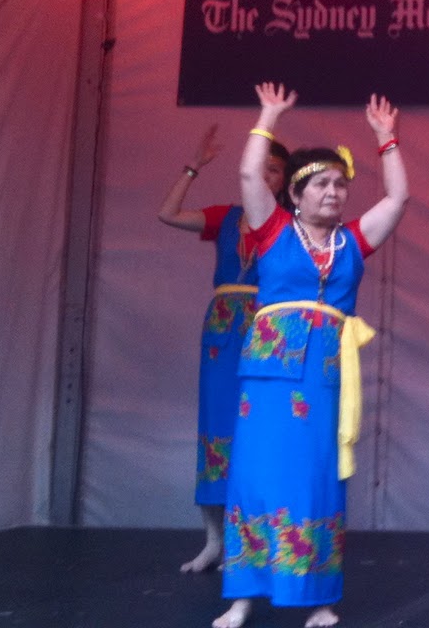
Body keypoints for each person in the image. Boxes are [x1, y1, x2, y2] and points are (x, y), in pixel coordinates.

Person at [213, 84, 410, 628]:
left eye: (341, 185)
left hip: (323, 373)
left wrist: (386, 140)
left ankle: (317, 597)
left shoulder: (352, 242)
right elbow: (252, 175)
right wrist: (268, 117)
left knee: (317, 476)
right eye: (322, 184)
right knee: (255, 474)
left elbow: (396, 201)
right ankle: (243, 596)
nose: (335, 193)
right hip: (269, 375)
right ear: (296, 194)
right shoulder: (273, 229)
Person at [159, 124, 291, 574]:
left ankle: (262, 542)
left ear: (286, 180)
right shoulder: (227, 216)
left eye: (275, 171)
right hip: (223, 325)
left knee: (264, 430)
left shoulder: (291, 224)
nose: (266, 176)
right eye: (262, 168)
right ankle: (215, 540)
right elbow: (167, 213)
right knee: (216, 427)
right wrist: (195, 164)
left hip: (269, 328)